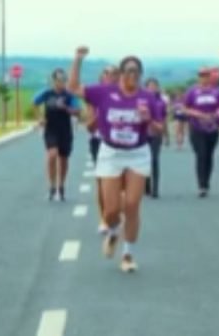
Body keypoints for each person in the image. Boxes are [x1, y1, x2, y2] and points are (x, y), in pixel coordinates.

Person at [68, 47, 164, 273]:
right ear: (121, 74)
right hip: (111, 153)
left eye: (136, 72)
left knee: (132, 205)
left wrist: (148, 119)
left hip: (137, 152)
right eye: (128, 71)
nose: (133, 76)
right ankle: (112, 232)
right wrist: (78, 60)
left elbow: (159, 129)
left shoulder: (147, 98)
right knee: (110, 211)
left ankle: (128, 254)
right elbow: (73, 88)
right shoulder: (105, 93)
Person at [33, 69, 81, 201]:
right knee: (52, 154)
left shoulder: (69, 95)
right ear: (53, 81)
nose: (61, 83)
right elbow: (34, 103)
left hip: (65, 129)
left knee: (63, 159)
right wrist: (39, 118)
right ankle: (52, 185)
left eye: (64, 80)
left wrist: (66, 108)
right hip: (51, 129)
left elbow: (77, 111)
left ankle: (61, 185)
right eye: (59, 80)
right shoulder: (47, 94)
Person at [184, 68, 219, 198]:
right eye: (201, 75)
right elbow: (185, 108)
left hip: (212, 128)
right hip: (197, 128)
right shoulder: (192, 92)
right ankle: (201, 185)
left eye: (206, 75)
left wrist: (218, 114)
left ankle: (207, 182)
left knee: (209, 155)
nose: (204, 78)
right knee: (201, 154)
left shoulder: (216, 92)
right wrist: (198, 114)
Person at [88, 65, 119, 234]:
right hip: (100, 141)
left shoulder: (126, 95)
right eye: (109, 73)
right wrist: (101, 114)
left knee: (119, 183)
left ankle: (115, 213)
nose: (113, 77)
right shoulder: (94, 98)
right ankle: (104, 219)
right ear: (103, 78)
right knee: (102, 181)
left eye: (116, 74)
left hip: (121, 143)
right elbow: (90, 127)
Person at [144, 77, 170, 199]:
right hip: (143, 135)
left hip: (156, 133)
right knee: (144, 160)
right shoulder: (141, 101)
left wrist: (166, 135)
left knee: (154, 159)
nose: (152, 88)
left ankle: (156, 189)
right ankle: (146, 183)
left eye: (154, 86)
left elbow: (164, 120)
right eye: (150, 86)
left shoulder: (161, 102)